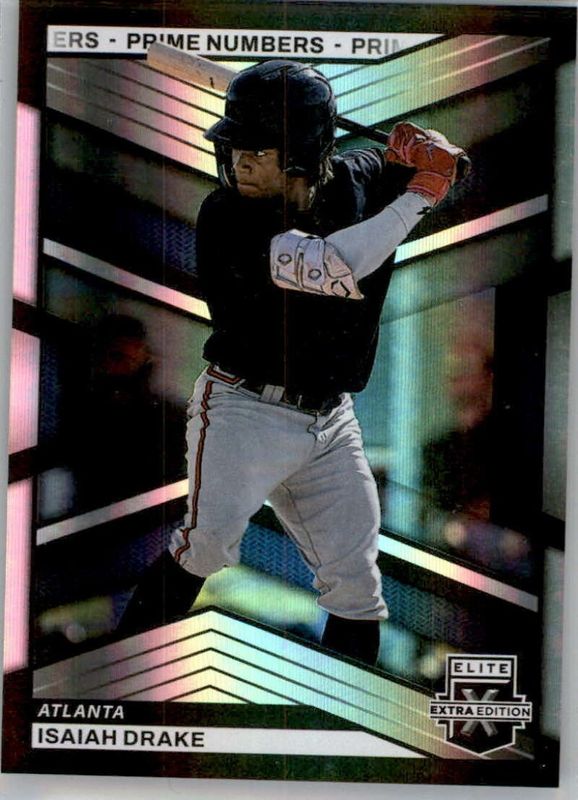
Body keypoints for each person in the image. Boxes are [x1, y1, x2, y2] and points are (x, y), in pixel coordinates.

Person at [119, 60, 467, 665]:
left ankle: (349, 703)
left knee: (357, 585)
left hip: (331, 420)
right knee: (205, 548)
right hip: (242, 411)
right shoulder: (228, 216)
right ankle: (123, 671)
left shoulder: (358, 175)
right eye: (235, 148)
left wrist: (435, 154)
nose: (240, 163)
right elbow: (336, 264)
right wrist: (420, 194)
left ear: (304, 154)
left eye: (258, 150)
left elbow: (453, 171)